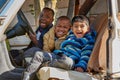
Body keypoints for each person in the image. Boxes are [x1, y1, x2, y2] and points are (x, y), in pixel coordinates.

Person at [22, 15, 97, 80]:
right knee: (38, 54)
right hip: (58, 55)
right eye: (76, 26)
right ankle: (27, 77)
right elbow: (55, 31)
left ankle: (44, 64)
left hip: (71, 60)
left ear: (88, 29)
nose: (79, 29)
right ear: (72, 28)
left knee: (67, 62)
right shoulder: (70, 35)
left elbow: (86, 55)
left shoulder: (87, 40)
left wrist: (81, 66)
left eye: (82, 26)